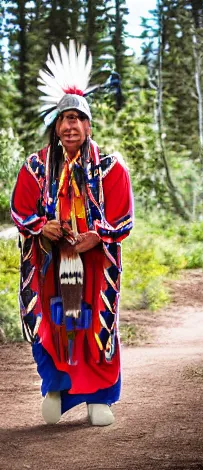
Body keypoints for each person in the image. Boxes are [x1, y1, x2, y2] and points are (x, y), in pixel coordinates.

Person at [10, 40, 133, 426]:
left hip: (95, 264)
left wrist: (97, 235)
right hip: (51, 264)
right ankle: (56, 387)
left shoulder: (111, 168)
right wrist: (40, 227)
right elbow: (20, 209)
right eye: (64, 119)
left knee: (95, 322)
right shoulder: (35, 167)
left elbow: (123, 217)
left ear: (89, 124)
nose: (70, 126)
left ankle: (101, 398)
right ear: (55, 125)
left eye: (78, 118)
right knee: (58, 321)